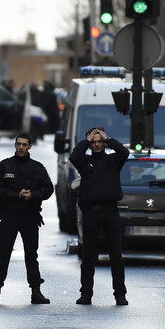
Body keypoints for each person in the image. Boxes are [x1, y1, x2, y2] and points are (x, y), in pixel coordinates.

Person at [0, 133, 53, 305]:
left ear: (30, 146)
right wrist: (16, 195)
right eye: (18, 144)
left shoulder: (37, 167)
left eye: (24, 144)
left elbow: (48, 188)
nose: (21, 147)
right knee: (3, 253)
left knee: (31, 255)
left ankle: (36, 291)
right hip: (9, 215)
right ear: (15, 145)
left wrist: (33, 195)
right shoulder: (5, 165)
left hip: (30, 215)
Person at [69, 126, 130, 306]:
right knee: (88, 256)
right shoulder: (84, 160)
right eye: (94, 142)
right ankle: (86, 293)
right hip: (91, 212)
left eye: (99, 142)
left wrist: (109, 138)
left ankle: (120, 294)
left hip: (110, 210)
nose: (96, 145)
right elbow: (74, 156)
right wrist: (86, 140)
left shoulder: (113, 160)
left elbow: (124, 152)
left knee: (116, 256)